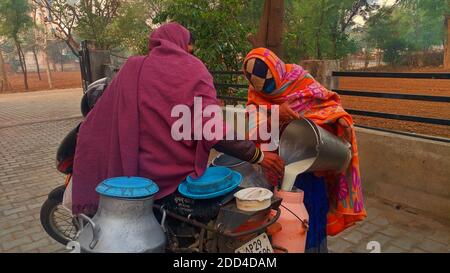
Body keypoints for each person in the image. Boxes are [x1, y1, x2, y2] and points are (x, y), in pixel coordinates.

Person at [71, 23, 284, 215]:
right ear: (185, 45)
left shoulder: (133, 68)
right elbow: (213, 130)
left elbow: (101, 116)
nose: (189, 54)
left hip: (136, 179)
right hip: (177, 180)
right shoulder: (194, 70)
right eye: (190, 49)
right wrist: (258, 156)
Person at [242, 47, 366, 253]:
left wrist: (340, 119)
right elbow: (250, 126)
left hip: (312, 160)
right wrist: (275, 113)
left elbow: (327, 102)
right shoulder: (256, 94)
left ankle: (314, 248)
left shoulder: (298, 78)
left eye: (272, 85)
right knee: (281, 215)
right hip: (277, 166)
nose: (269, 92)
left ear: (278, 70)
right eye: (265, 90)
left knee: (312, 212)